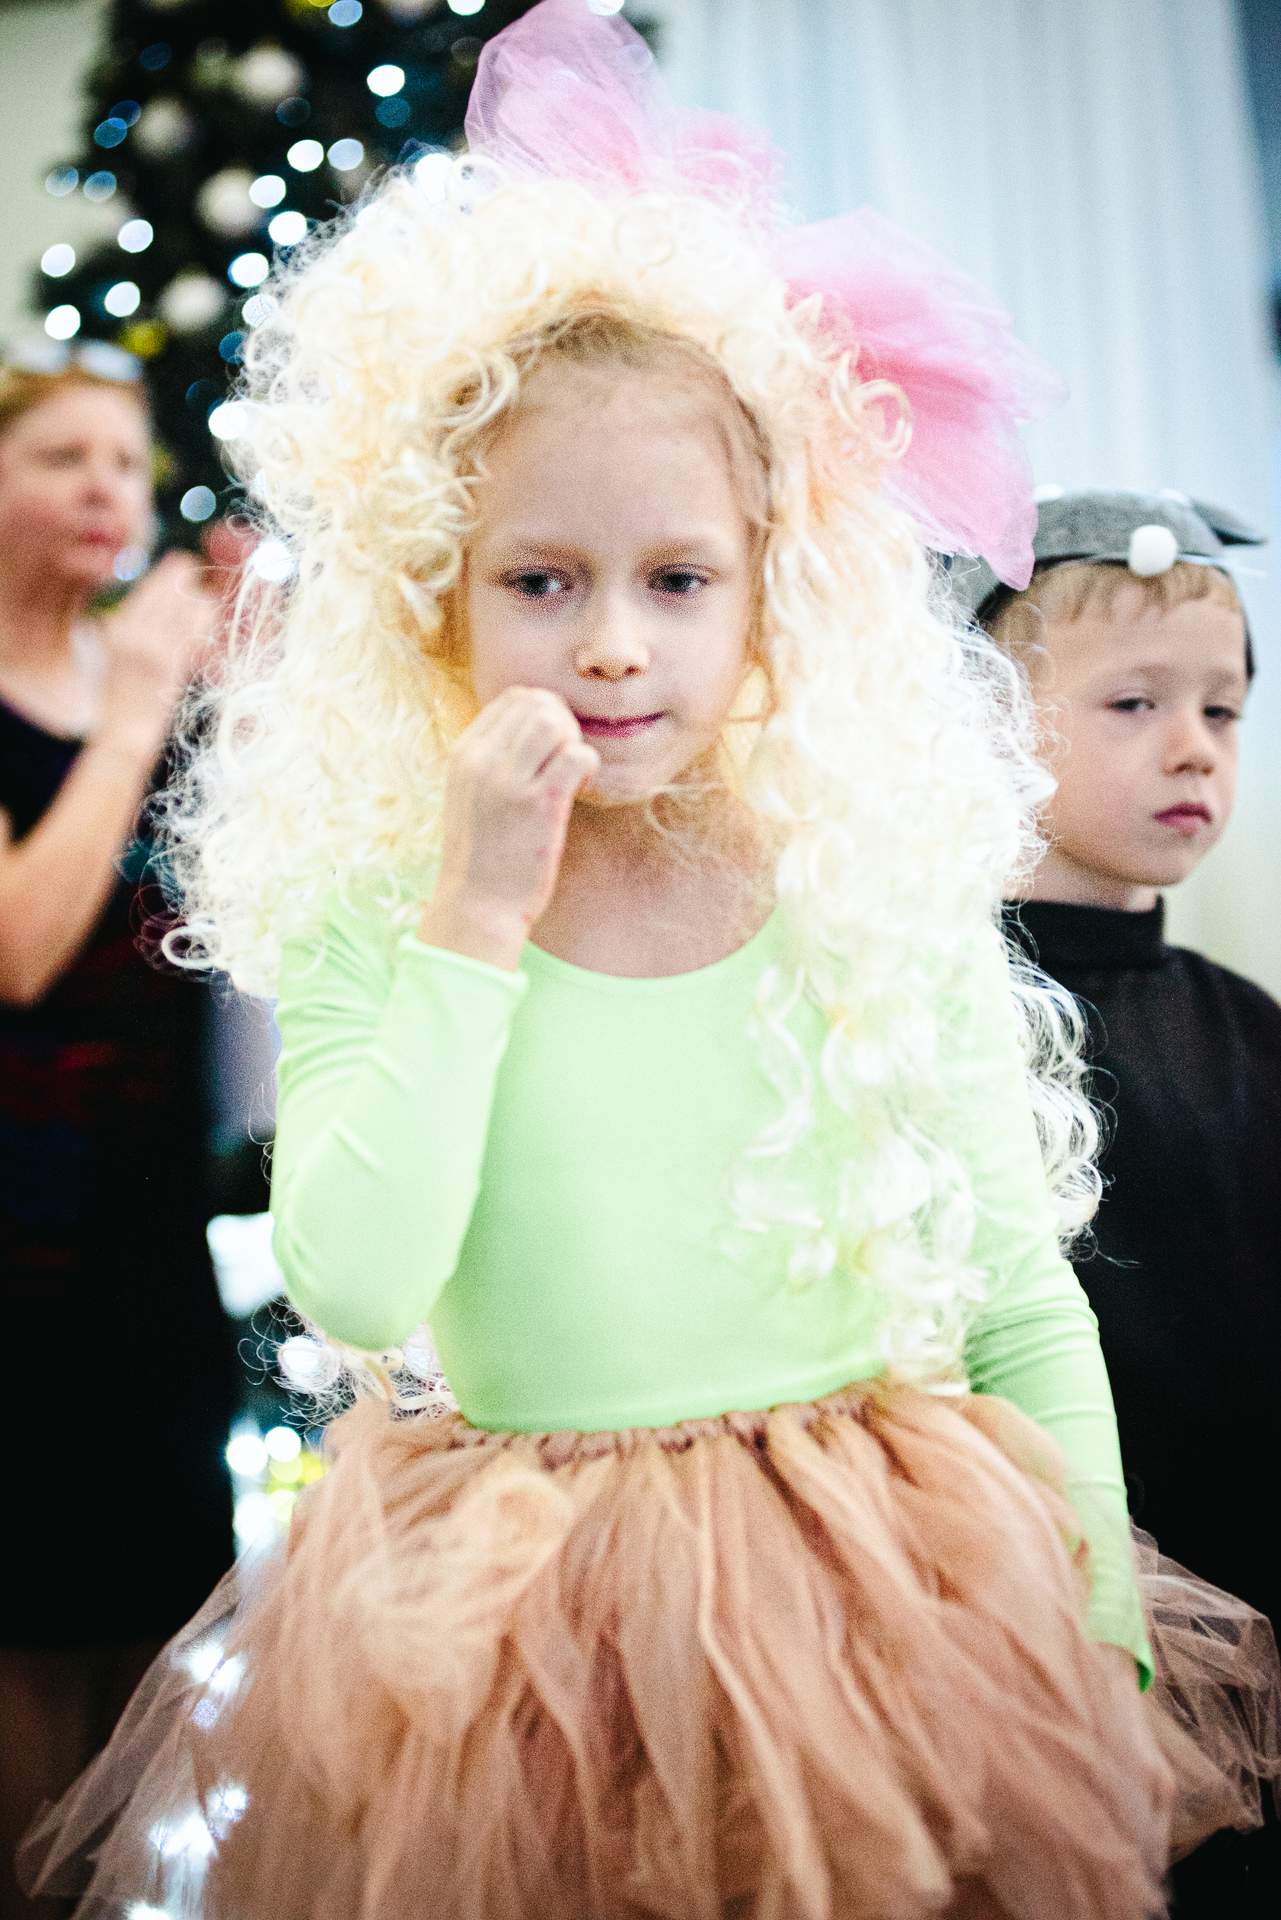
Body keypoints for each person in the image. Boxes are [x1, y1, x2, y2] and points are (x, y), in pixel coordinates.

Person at [19, 8, 1265, 1915]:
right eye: (542, 581)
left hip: (872, 1591)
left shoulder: (854, 878)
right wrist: (473, 920)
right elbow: (357, 1280)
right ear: (437, 600)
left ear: (767, 596)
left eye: (676, 581)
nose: (613, 644)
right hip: (514, 1625)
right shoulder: (387, 903)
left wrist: (1095, 1626)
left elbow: (1019, 1295)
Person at [957, 488, 1281, 1915]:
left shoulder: (1245, 1023)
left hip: (1247, 1573)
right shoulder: (941, 1007)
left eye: (1222, 710)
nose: (1191, 746)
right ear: (984, 729)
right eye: (1134, 703)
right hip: (1052, 1583)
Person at [0, 344, 237, 1919]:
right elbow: (21, 948)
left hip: (153, 1229)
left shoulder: (156, 691)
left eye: (125, 463)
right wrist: (143, 705)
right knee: (28, 1626)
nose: (108, 489)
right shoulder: (110, 700)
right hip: (18, 1244)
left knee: (161, 1617)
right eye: (61, 456)